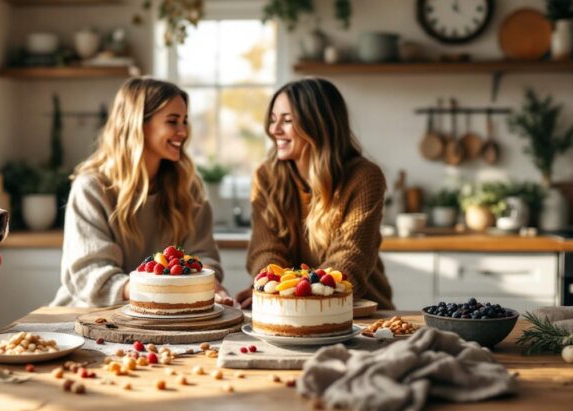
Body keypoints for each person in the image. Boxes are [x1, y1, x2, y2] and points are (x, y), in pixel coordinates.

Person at [52, 77, 232, 308]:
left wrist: (209, 281)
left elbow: (202, 255)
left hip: (161, 314)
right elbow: (90, 273)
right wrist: (158, 289)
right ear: (139, 124)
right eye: (172, 121)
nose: (183, 131)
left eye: (184, 121)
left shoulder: (188, 187)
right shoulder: (92, 187)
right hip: (89, 316)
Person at [235, 78, 393, 309]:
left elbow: (349, 257)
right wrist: (270, 284)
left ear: (319, 124)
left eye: (287, 120)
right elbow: (266, 248)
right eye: (273, 120)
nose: (274, 130)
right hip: (288, 309)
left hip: (359, 312)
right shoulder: (266, 176)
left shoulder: (364, 177)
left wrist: (294, 294)